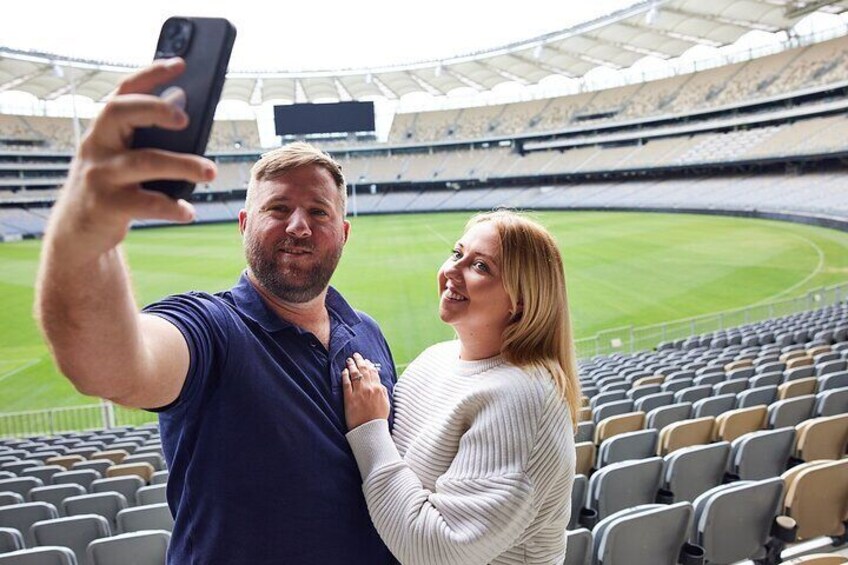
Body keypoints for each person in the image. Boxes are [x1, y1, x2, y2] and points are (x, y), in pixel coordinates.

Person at [34, 59, 397, 564]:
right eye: (278, 209)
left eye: (318, 212)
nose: (298, 226)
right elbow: (108, 364)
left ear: (344, 232)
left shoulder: (367, 332)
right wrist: (85, 231)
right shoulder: (212, 329)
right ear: (244, 223)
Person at [340, 210, 581, 565]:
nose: (451, 270)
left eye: (480, 266)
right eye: (457, 254)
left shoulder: (525, 397)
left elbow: (440, 550)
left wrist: (368, 429)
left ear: (522, 301)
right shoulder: (433, 359)